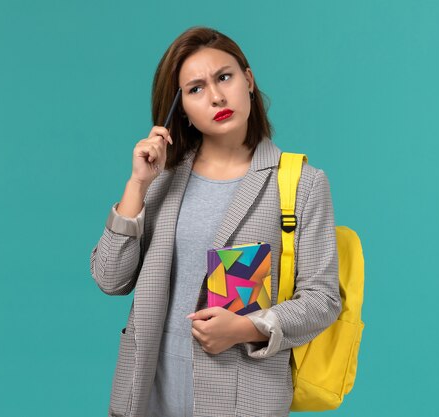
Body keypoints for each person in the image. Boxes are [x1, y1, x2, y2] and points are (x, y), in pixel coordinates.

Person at [90, 26, 341, 417]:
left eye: (224, 77)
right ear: (181, 110)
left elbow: (323, 300)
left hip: (241, 398)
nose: (216, 96)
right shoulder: (162, 179)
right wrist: (137, 185)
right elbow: (110, 278)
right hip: (147, 396)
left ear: (249, 80)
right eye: (195, 89)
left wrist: (248, 328)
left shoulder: (300, 183)